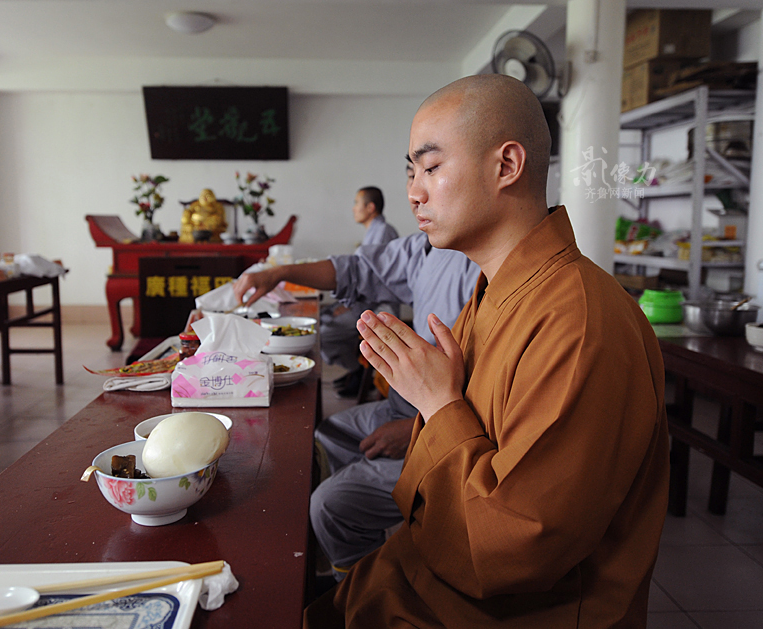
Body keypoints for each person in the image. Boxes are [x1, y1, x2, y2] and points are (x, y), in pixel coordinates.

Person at [304, 75, 669, 628]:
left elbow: (514, 547)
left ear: (507, 165)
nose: (414, 193)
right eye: (411, 172)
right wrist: (430, 398)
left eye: (431, 167)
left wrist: (438, 404)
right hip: (430, 570)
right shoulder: (493, 292)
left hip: (509, 610)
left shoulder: (580, 324)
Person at [234, 215, 480, 582]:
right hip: (407, 405)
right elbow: (360, 268)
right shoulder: (429, 246)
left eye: (431, 177)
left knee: (330, 504)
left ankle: (365, 587)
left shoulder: (494, 271)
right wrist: (280, 273)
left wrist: (417, 428)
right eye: (412, 182)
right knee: (326, 434)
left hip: (445, 428)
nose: (416, 193)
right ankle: (350, 553)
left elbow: (489, 395)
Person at [320, 186, 399, 396]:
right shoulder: (374, 230)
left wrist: (350, 306)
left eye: (357, 203)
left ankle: (358, 371)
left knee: (325, 334)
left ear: (370, 207)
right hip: (365, 302)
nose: (354, 208)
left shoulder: (383, 232)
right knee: (323, 316)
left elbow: (375, 282)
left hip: (379, 306)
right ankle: (355, 370)